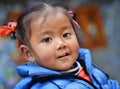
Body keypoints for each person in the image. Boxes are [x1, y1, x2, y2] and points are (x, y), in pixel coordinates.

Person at [0, 0, 120, 89]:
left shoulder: (85, 65)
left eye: (66, 35)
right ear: (28, 53)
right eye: (47, 39)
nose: (61, 44)